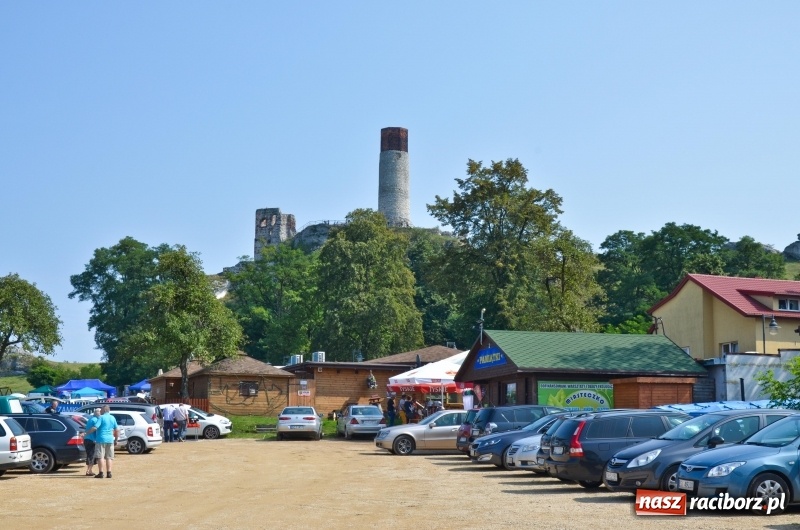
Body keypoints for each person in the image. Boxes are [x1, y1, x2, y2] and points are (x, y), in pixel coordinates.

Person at [86, 405, 118, 479]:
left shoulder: (101, 417)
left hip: (101, 439)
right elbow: (117, 429)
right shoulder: (112, 418)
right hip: (110, 439)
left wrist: (86, 433)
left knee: (100, 457)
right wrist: (116, 439)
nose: (100, 411)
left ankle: (101, 473)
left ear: (104, 410)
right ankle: (109, 473)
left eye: (101, 410)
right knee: (109, 457)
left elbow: (95, 427)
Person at [82, 408, 102, 476]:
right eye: (100, 412)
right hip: (91, 439)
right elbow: (95, 429)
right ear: (97, 413)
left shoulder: (91, 419)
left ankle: (89, 470)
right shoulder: (95, 420)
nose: (101, 413)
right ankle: (88, 471)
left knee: (90, 455)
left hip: (87, 439)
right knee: (91, 455)